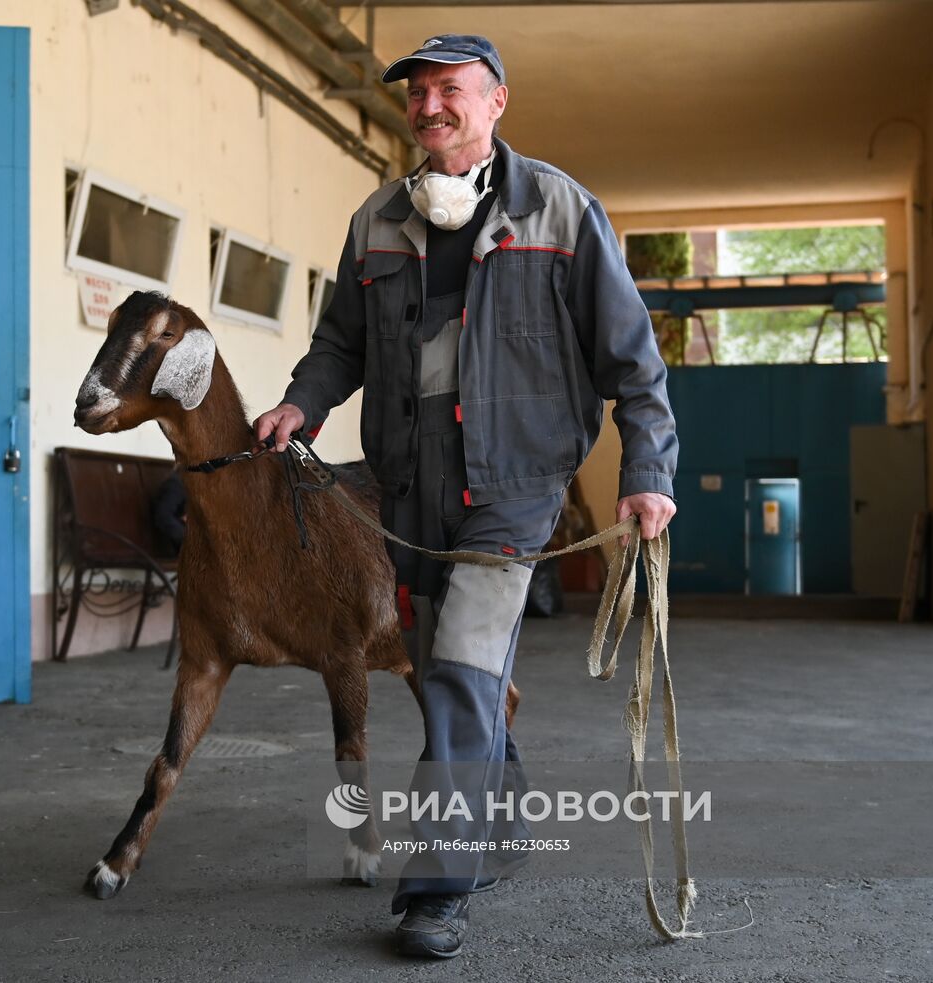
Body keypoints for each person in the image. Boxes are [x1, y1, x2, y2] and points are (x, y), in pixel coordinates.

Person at [253, 34, 678, 959]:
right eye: (419, 95)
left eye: (452, 90)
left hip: (514, 488)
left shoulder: (560, 210)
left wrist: (648, 473)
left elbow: (633, 362)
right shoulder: (376, 220)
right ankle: (507, 809)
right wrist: (302, 401)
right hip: (407, 486)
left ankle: (437, 888)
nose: (430, 107)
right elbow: (339, 342)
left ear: (496, 103)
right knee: (437, 667)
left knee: (459, 669)